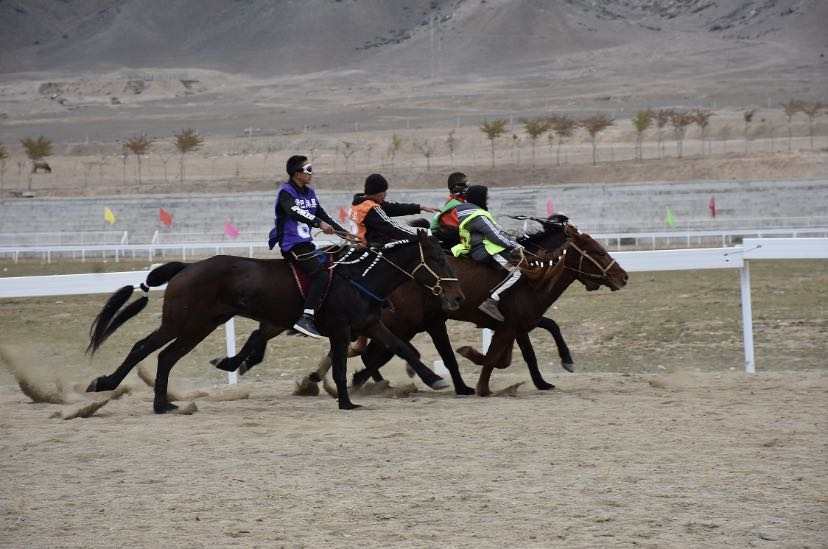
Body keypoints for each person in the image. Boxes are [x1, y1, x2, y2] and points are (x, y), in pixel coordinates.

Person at [268, 155, 349, 338]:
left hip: (306, 244)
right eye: (308, 170)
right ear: (297, 174)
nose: (311, 174)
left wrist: (346, 235)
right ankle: (306, 318)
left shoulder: (310, 193)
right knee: (321, 275)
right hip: (291, 245)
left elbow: (324, 216)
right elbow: (294, 211)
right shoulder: (286, 192)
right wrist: (318, 223)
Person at [451, 185, 523, 322]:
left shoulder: (463, 211)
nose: (488, 200)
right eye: (486, 197)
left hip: (477, 250)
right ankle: (492, 301)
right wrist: (517, 245)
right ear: (479, 198)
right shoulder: (477, 215)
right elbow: (496, 235)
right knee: (517, 273)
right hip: (487, 251)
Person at [350, 173, 438, 246]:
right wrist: (418, 235)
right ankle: (451, 255)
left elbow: (392, 208)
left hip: (362, 244)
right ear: (378, 193)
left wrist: (419, 207)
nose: (385, 195)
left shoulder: (359, 204)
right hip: (372, 245)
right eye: (384, 192)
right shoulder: (370, 208)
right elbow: (391, 227)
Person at [430, 172, 468, 247]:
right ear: (456, 188)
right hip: (445, 236)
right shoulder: (456, 205)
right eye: (465, 186)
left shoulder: (453, 201)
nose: (468, 189)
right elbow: (461, 227)